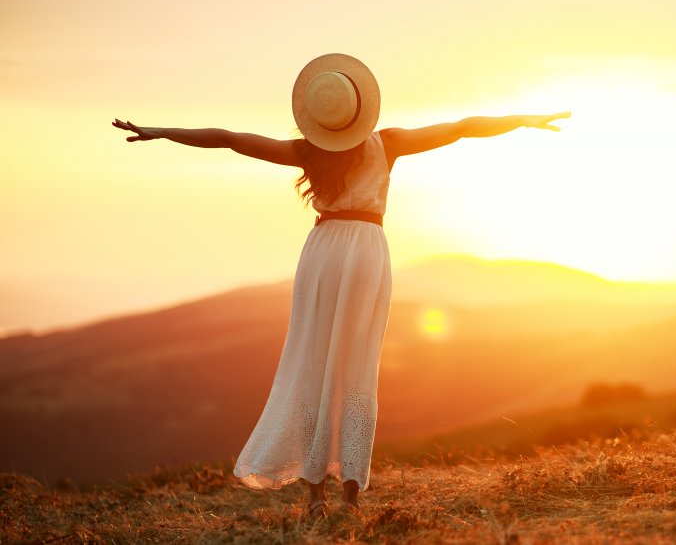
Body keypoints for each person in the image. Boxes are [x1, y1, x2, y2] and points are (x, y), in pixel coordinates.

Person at [112, 53, 569, 519]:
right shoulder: (386, 144)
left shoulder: (305, 152)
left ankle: (315, 494)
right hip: (366, 251)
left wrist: (163, 132)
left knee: (312, 359)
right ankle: (350, 491)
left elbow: (229, 139)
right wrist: (522, 120)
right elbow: (460, 127)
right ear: (358, 109)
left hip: (323, 251)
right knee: (357, 365)